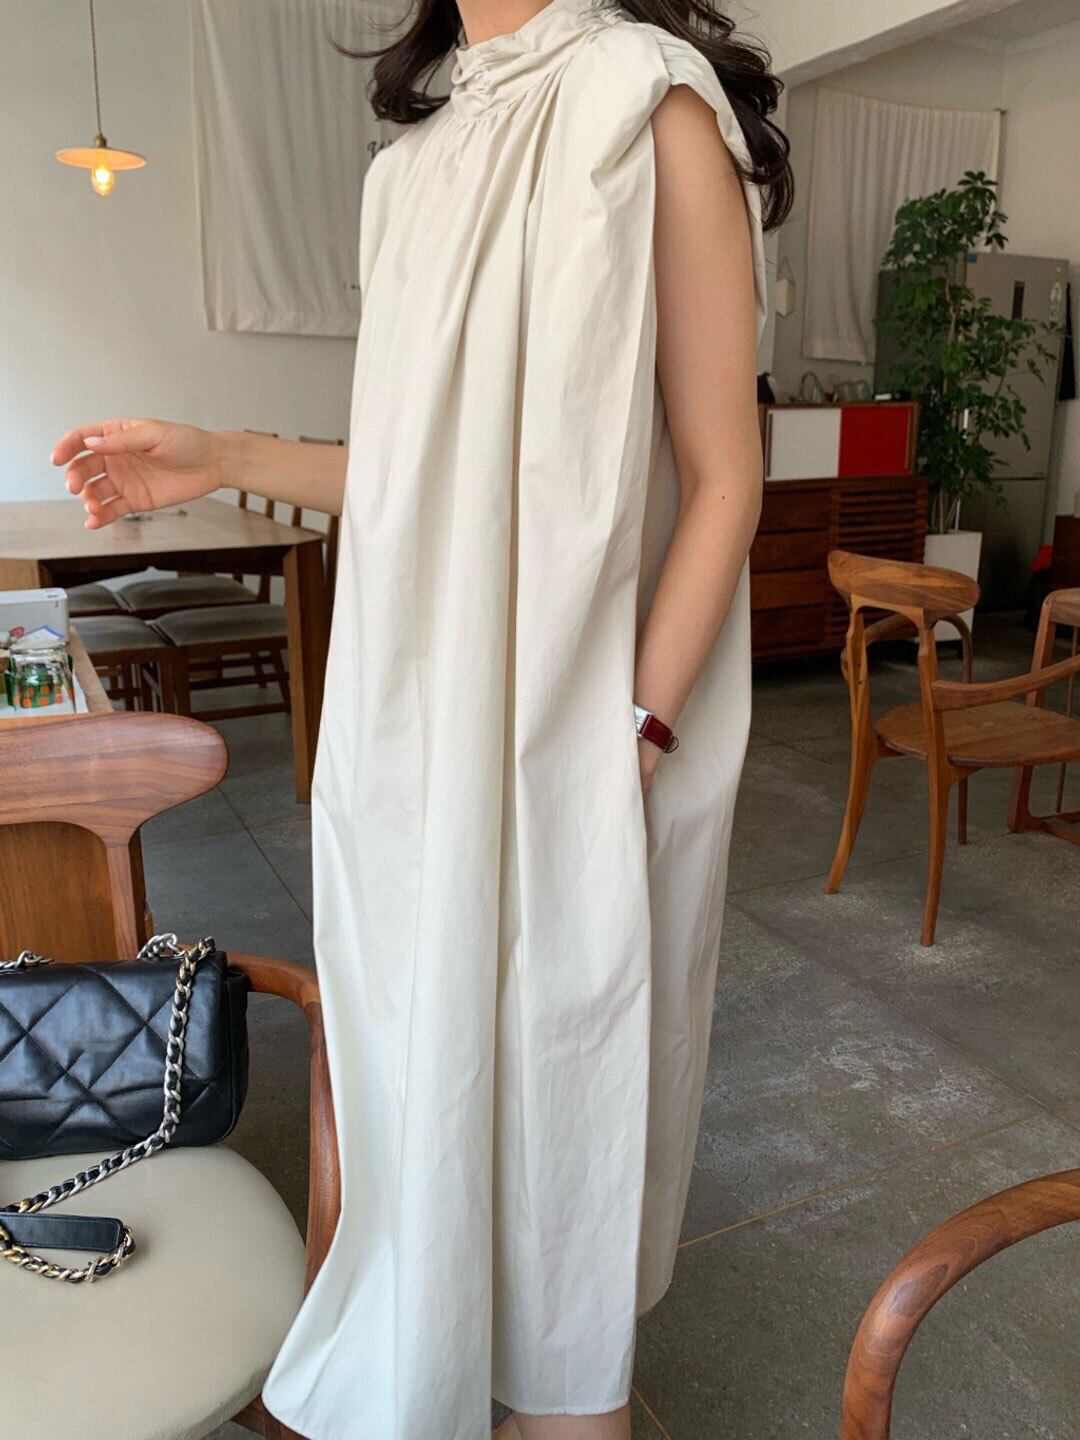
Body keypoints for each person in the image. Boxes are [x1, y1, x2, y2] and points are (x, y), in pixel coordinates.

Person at [53, 0, 791, 1435]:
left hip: (578, 745)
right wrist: (218, 453)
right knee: (425, 1100)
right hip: (406, 740)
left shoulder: (647, 105)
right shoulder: (414, 162)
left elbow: (724, 479)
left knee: (563, 1123)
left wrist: (631, 741)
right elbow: (414, 468)